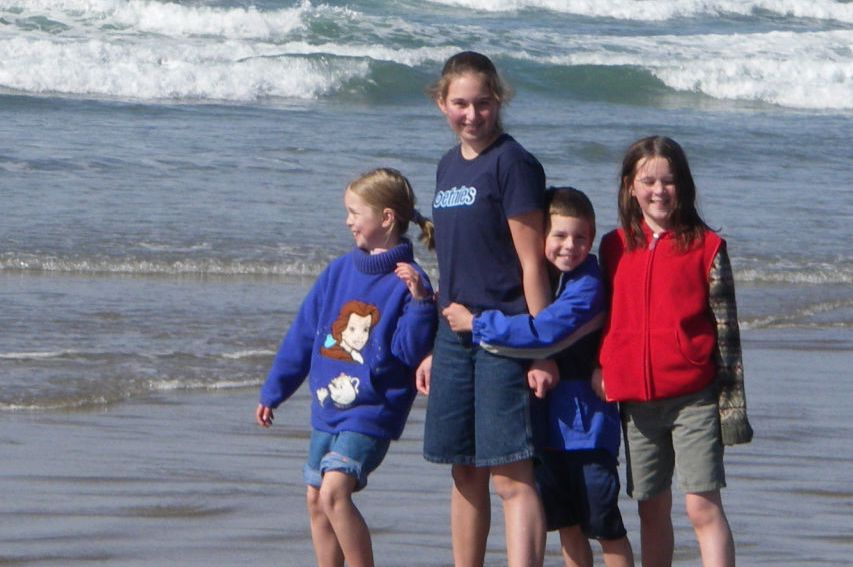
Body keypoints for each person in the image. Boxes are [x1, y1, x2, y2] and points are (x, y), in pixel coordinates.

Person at [442, 187, 635, 567]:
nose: (570, 246)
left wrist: (476, 323)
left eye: (581, 237)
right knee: (567, 528)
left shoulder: (588, 282)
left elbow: (544, 329)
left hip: (589, 429)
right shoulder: (535, 279)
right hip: (546, 427)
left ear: (593, 237)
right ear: (541, 236)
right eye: (559, 236)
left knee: (605, 526)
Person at [255, 167, 437, 567]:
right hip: (327, 407)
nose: (348, 220)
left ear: (386, 218)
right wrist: (274, 391)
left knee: (335, 490)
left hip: (372, 410)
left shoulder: (409, 281)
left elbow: (409, 352)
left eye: (355, 212)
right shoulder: (338, 271)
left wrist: (423, 302)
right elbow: (303, 335)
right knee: (315, 496)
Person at [417, 50, 555, 567]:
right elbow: (452, 265)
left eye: (482, 103)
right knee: (464, 470)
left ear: (498, 101)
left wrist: (542, 349)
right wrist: (434, 346)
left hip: (504, 334)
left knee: (510, 475)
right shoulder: (447, 166)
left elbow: (532, 263)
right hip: (453, 338)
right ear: (441, 103)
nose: (471, 114)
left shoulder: (513, 163)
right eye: (460, 104)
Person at [597, 136, 753, 567]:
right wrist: (601, 366)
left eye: (668, 181)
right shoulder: (612, 246)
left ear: (683, 186)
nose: (658, 191)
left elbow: (728, 335)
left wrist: (733, 409)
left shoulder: (707, 246)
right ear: (631, 186)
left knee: (701, 506)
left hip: (694, 398)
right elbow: (601, 319)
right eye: (648, 181)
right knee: (650, 507)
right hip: (636, 403)